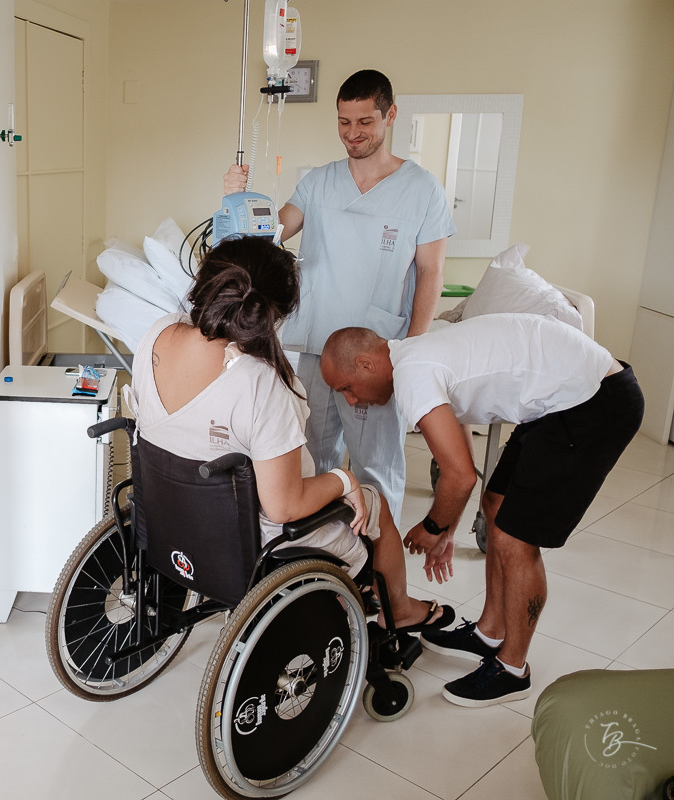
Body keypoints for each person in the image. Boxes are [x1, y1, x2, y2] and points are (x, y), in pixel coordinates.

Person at [124, 235, 454, 632]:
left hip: (169, 516)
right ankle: (397, 610)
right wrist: (343, 479)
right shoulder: (264, 382)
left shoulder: (157, 334)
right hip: (247, 541)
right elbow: (282, 507)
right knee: (374, 503)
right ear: (277, 311)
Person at [319, 314, 644, 706]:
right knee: (496, 504)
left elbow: (458, 477)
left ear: (366, 364)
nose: (352, 400)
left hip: (594, 402)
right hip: (563, 400)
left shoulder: (412, 375)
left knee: (514, 539)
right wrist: (451, 529)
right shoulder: (417, 355)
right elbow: (460, 451)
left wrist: (434, 527)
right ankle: (489, 633)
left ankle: (512, 670)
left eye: (348, 388)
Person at [224, 69, 455, 523]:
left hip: (375, 353)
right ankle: (322, 559)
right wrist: (235, 199)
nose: (353, 134)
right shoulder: (319, 183)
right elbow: (270, 233)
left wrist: (410, 349)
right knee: (309, 461)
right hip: (312, 345)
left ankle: (378, 572)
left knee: (376, 467)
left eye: (365, 122)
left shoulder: (422, 190)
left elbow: (431, 272)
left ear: (390, 115)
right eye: (344, 123)